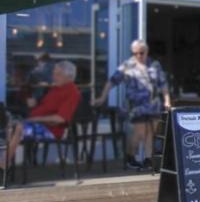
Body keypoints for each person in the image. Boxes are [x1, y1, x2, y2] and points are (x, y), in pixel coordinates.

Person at [93, 40, 171, 171]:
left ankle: (148, 160)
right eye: (135, 53)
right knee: (139, 132)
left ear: (147, 52)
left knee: (152, 133)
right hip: (136, 105)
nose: (139, 56)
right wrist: (102, 97)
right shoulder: (127, 65)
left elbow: (163, 84)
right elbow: (112, 81)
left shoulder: (155, 65)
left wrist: (167, 100)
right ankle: (130, 157)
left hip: (153, 105)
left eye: (141, 53)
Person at [4, 61, 81, 172]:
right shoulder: (56, 89)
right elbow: (46, 107)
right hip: (36, 123)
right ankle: (6, 162)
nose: (54, 77)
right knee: (6, 124)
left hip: (51, 130)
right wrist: (34, 103)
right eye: (54, 73)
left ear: (68, 76)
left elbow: (60, 119)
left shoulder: (72, 92)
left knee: (18, 127)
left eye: (57, 74)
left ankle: (5, 163)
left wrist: (34, 119)